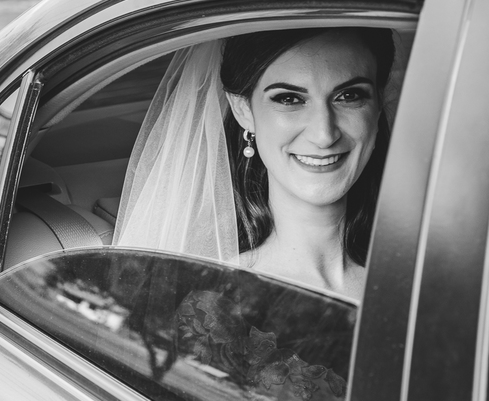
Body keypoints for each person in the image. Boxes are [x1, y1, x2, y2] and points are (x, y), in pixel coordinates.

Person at [114, 27, 396, 299]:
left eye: (349, 96)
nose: (324, 135)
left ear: (379, 102)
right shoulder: (219, 300)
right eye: (289, 99)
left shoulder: (414, 272)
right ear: (243, 110)